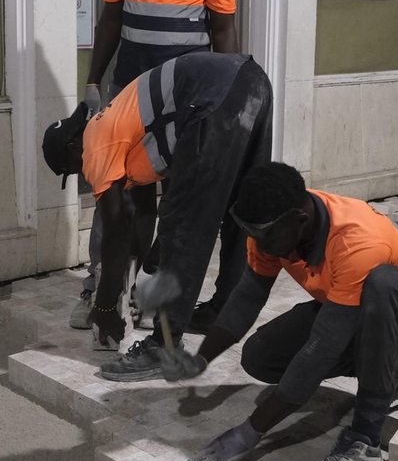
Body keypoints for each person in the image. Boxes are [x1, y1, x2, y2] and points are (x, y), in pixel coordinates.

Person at [153, 162, 398, 461]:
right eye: (250, 232)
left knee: (383, 284)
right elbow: (246, 299)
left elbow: (320, 350)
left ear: (299, 219)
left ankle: (363, 449)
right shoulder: (273, 229)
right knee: (261, 355)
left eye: (263, 235)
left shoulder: (357, 240)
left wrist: (249, 432)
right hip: (368, 314)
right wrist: (201, 358)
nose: (256, 243)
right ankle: (391, 374)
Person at [70, 0, 239, 335]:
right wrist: (92, 82)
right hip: (130, 97)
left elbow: (224, 32)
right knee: (118, 189)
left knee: (178, 202)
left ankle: (151, 295)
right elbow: (110, 21)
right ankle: (102, 284)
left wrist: (225, 96)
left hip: (184, 103)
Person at [43, 52, 270, 378]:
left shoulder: (94, 143)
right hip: (250, 80)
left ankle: (163, 345)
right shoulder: (121, 124)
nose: (84, 175)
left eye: (74, 169)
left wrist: (105, 307)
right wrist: (148, 264)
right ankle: (221, 311)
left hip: (213, 97)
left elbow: (116, 231)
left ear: (72, 148)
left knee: (184, 224)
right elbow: (136, 216)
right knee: (240, 205)